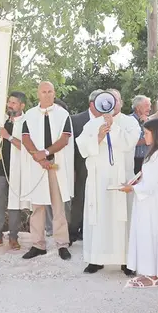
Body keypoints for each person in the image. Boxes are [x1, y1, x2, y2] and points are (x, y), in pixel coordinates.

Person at [77, 89, 141, 274]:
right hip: (98, 180)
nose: (110, 104)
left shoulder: (129, 122)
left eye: (115, 100)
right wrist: (98, 137)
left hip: (122, 178)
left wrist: (113, 127)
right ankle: (96, 259)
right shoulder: (92, 124)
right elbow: (82, 147)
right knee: (98, 218)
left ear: (120, 102)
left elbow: (129, 143)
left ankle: (125, 261)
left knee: (123, 220)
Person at [20, 81, 74, 260]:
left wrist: (46, 153)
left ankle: (62, 244)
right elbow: (25, 138)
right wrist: (38, 156)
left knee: (58, 207)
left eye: (50, 91)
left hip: (55, 165)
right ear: (38, 94)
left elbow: (65, 138)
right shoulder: (29, 115)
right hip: (38, 165)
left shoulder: (62, 114)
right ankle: (38, 244)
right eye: (44, 91)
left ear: (54, 93)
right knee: (38, 207)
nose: (47, 94)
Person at [122, 118, 158, 288]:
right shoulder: (153, 153)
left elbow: (151, 185)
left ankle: (152, 274)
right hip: (145, 199)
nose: (145, 136)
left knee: (150, 234)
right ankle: (146, 271)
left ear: (156, 134)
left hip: (150, 200)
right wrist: (135, 184)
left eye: (147, 133)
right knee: (143, 234)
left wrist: (133, 189)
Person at [0, 91, 28, 250]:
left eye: (14, 103)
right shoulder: (0, 121)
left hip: (16, 170)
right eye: (9, 102)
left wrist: (8, 136)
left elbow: (28, 147)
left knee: (15, 205)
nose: (10, 105)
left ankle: (13, 237)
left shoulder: (27, 122)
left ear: (22, 105)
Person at [68, 90, 101, 244]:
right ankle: (73, 232)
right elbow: (71, 148)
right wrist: (72, 169)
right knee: (79, 199)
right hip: (80, 166)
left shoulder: (108, 120)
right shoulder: (76, 120)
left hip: (101, 167)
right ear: (91, 104)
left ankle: (92, 231)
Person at [131, 95, 152, 173]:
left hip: (148, 160)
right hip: (134, 161)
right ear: (138, 107)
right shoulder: (129, 121)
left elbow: (156, 138)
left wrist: (148, 124)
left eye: (150, 106)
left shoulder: (150, 121)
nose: (149, 109)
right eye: (147, 106)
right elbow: (129, 142)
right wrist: (146, 140)